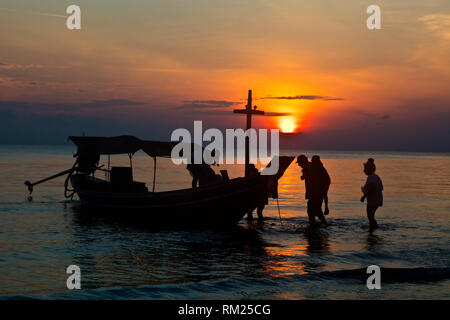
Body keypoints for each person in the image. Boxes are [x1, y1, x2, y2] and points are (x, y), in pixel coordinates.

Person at [297, 155, 328, 226]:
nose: (299, 165)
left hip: (315, 194)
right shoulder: (309, 168)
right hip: (316, 194)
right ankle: (317, 225)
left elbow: (314, 179)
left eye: (299, 163)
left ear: (303, 161)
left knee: (314, 211)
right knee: (315, 211)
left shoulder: (310, 168)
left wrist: (304, 175)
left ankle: (319, 225)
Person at [360, 158, 384, 231]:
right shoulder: (376, 176)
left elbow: (372, 187)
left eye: (365, 169)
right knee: (371, 216)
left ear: (369, 170)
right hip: (378, 199)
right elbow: (381, 187)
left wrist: (364, 196)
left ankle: (372, 229)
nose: (363, 170)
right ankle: (374, 228)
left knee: (370, 216)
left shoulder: (371, 177)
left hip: (373, 200)